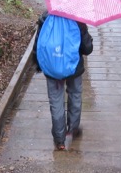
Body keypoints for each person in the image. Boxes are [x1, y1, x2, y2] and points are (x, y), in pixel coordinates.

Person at [32, 12, 94, 150]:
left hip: (52, 67)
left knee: (56, 101)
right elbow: (87, 49)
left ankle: (60, 140)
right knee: (75, 95)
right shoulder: (78, 20)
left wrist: (37, 63)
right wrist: (87, 36)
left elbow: (39, 44)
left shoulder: (45, 18)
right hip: (73, 67)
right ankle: (73, 129)